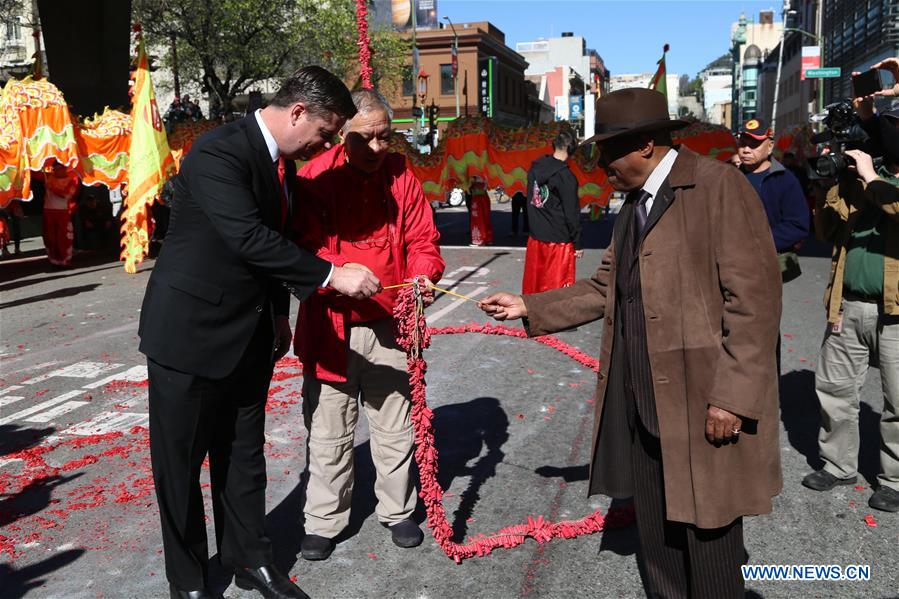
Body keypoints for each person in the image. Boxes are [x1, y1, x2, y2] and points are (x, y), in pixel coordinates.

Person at [479, 88, 782, 598]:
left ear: (645, 145)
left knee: (708, 535)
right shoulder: (633, 208)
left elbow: (754, 303)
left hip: (702, 400)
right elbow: (605, 287)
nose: (599, 165)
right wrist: (531, 306)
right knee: (657, 535)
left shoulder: (718, 186)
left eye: (608, 150)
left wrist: (731, 397)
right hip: (642, 402)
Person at [138, 66, 380, 599]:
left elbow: (271, 245)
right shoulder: (218, 151)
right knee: (179, 470)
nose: (324, 146)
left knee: (244, 456)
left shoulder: (281, 166)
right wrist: (332, 275)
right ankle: (189, 581)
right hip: (189, 336)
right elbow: (248, 238)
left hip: (248, 336)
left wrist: (276, 314)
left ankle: (250, 559)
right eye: (323, 133)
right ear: (298, 112)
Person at [291, 89, 445, 561]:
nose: (378, 149)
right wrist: (337, 274)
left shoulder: (401, 175)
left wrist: (423, 276)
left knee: (395, 426)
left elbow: (423, 238)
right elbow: (299, 252)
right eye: (366, 139)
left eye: (386, 137)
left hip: (392, 325)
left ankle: (398, 511)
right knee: (329, 430)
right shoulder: (315, 177)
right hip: (332, 327)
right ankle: (323, 519)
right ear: (341, 135)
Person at [801, 96, 899, 513]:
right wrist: (829, 186)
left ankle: (895, 479)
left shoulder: (875, 178)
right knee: (835, 390)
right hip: (849, 303)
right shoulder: (860, 179)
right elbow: (825, 233)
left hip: (896, 313)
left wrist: (872, 176)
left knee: (898, 402)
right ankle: (838, 464)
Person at [736, 117, 810, 283]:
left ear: (769, 147)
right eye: (742, 143)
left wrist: (758, 242)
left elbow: (797, 225)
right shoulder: (729, 176)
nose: (746, 149)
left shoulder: (785, 180)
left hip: (767, 266)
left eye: (754, 144)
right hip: (732, 264)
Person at [522, 131, 583, 294]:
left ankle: (531, 318)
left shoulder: (535, 168)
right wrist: (577, 242)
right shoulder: (565, 175)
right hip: (558, 241)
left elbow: (531, 199)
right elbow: (572, 212)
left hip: (535, 238)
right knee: (556, 291)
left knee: (534, 285)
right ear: (571, 149)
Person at [39, 162, 79, 267]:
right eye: (54, 169)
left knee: (64, 237)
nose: (56, 171)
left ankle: (65, 259)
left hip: (62, 211)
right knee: (50, 237)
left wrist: (52, 188)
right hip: (48, 210)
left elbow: (67, 195)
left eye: (59, 168)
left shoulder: (71, 180)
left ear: (64, 169)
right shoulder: (49, 178)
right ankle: (53, 259)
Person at [468, 175, 493, 246]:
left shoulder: (475, 176)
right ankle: (487, 239)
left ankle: (480, 239)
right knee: (485, 219)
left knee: (478, 220)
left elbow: (469, 187)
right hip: (483, 198)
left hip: (478, 199)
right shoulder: (485, 174)